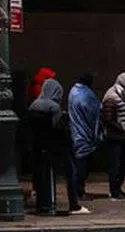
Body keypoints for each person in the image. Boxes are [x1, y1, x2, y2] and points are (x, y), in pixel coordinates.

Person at [27, 77, 88, 214]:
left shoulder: (34, 105)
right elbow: (59, 130)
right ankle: (74, 204)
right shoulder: (54, 108)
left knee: (41, 175)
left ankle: (43, 204)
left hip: (39, 148)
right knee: (71, 172)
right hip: (56, 148)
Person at [67, 74, 103, 203]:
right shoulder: (87, 95)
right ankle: (79, 190)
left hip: (75, 132)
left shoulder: (73, 92)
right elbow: (94, 112)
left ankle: (77, 190)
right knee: (83, 165)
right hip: (84, 134)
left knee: (77, 163)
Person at [100, 72, 125, 200]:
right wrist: (120, 128)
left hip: (120, 136)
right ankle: (115, 190)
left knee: (121, 164)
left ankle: (117, 189)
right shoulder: (111, 96)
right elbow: (108, 118)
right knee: (116, 164)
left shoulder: (119, 95)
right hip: (115, 137)